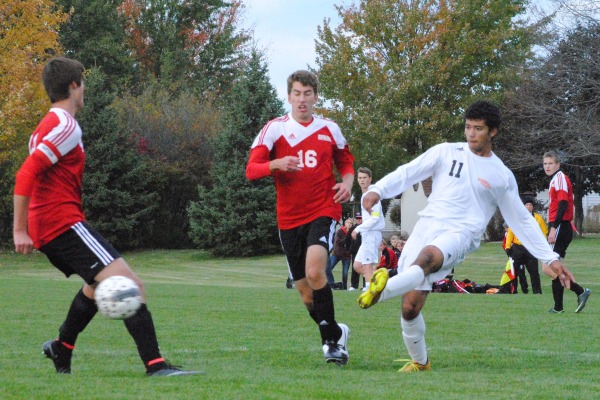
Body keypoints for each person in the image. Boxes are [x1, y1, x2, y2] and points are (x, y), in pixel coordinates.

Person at [356, 100, 578, 372]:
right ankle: (420, 361)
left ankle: (381, 289)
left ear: (493, 131)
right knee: (411, 306)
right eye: (468, 127)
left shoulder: (501, 175)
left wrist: (549, 256)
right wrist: (378, 190)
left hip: (463, 233)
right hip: (428, 224)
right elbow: (408, 171)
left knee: (428, 258)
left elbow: (520, 219)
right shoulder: (445, 152)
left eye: (478, 129)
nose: (471, 133)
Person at [12, 57, 199, 377]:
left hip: (52, 224)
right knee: (129, 284)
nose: (84, 90)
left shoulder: (45, 125)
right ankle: (155, 366)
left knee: (96, 286)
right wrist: (18, 229)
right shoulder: (65, 125)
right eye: (82, 83)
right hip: (61, 224)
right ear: (73, 86)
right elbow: (27, 173)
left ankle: (61, 347)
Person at [245, 70, 354, 365]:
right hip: (289, 219)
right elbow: (252, 170)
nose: (302, 100)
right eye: (297, 93)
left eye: (308, 93)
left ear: (316, 96)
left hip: (324, 209)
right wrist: (277, 163)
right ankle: (336, 331)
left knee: (317, 271)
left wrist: (346, 183)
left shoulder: (330, 128)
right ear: (289, 96)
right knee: (306, 295)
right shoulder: (274, 129)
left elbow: (346, 163)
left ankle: (331, 344)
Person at [542, 151, 591, 313]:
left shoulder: (560, 178)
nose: (547, 166)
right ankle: (562, 305)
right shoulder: (555, 180)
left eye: (550, 163)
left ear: (558, 164)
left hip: (561, 226)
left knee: (548, 267)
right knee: (554, 268)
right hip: (560, 226)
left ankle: (577, 293)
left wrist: (554, 227)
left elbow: (563, 203)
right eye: (545, 164)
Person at [504, 197, 547, 294]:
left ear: (533, 207)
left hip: (531, 248)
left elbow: (543, 233)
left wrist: (541, 246)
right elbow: (511, 232)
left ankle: (537, 291)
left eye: (530, 205)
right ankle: (513, 290)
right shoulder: (516, 217)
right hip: (517, 247)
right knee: (513, 270)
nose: (528, 207)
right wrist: (508, 247)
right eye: (526, 205)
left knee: (534, 271)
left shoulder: (538, 218)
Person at [352, 167, 385, 292]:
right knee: (357, 265)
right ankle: (377, 281)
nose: (362, 180)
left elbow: (375, 218)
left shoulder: (372, 195)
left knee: (367, 263)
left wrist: (357, 229)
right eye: (360, 178)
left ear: (370, 179)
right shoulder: (364, 195)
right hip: (367, 233)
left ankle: (368, 289)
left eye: (365, 178)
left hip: (372, 233)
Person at [329, 218, 353, 289]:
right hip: (337, 254)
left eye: (350, 223)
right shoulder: (340, 231)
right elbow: (338, 242)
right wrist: (347, 237)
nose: (349, 224)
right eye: (348, 222)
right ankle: (330, 283)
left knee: (345, 273)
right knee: (328, 268)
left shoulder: (353, 233)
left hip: (347, 256)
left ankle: (344, 287)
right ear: (345, 223)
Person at [347, 214, 363, 291]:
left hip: (364, 251)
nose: (359, 220)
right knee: (355, 268)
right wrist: (349, 250)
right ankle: (354, 285)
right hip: (355, 251)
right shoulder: (353, 228)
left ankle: (365, 285)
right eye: (357, 218)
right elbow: (348, 240)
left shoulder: (365, 228)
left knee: (364, 267)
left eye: (360, 218)